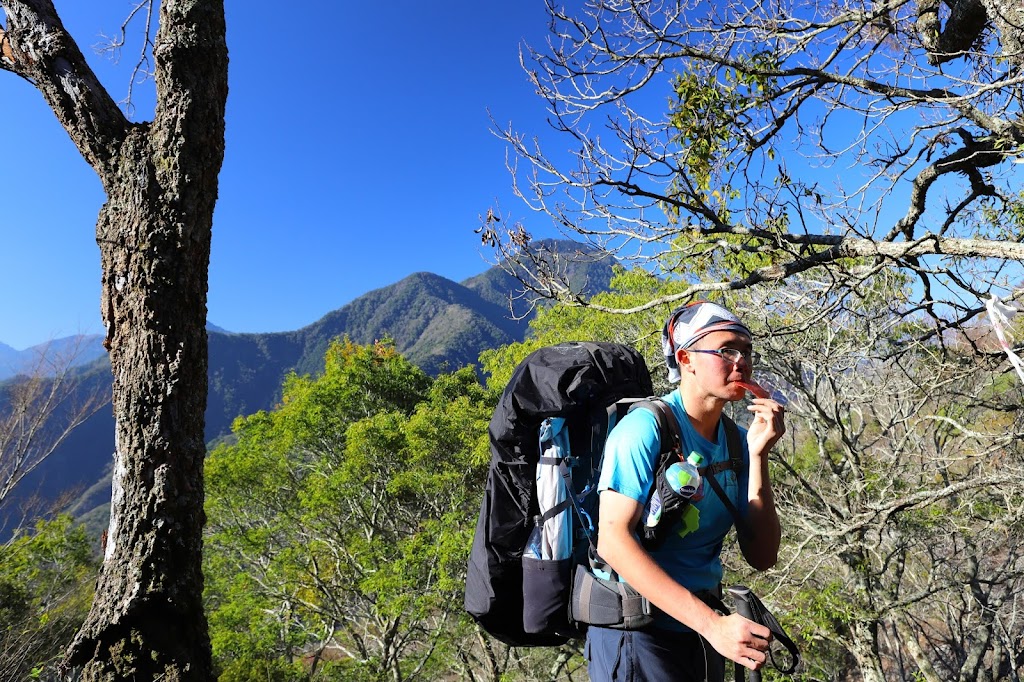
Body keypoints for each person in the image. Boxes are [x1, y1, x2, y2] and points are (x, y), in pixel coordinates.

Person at [585, 301, 785, 681]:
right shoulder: (643, 429)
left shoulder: (737, 441)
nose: (740, 361)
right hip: (637, 634)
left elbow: (762, 555)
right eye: (726, 350)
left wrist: (758, 455)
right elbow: (612, 541)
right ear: (685, 358)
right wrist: (713, 625)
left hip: (699, 633)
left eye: (746, 351)